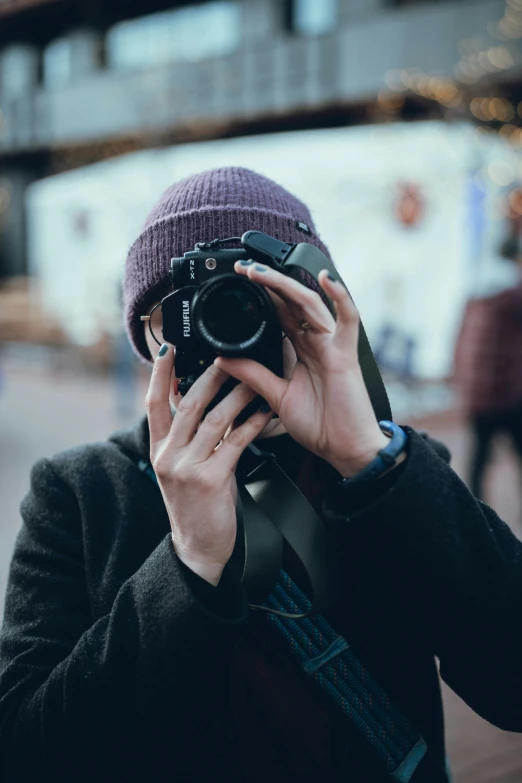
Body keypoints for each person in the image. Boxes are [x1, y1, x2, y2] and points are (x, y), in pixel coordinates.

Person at [0, 167, 521, 783]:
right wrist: (188, 560)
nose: (230, 338)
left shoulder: (395, 474)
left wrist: (371, 460)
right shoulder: (81, 493)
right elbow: (29, 753)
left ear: (313, 312)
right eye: (190, 312)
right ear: (148, 338)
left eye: (260, 301)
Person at [453, 235, 522, 501]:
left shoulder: (476, 294)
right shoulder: (514, 296)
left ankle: (477, 516)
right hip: (508, 391)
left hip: (478, 393)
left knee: (479, 460)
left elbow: (459, 339)